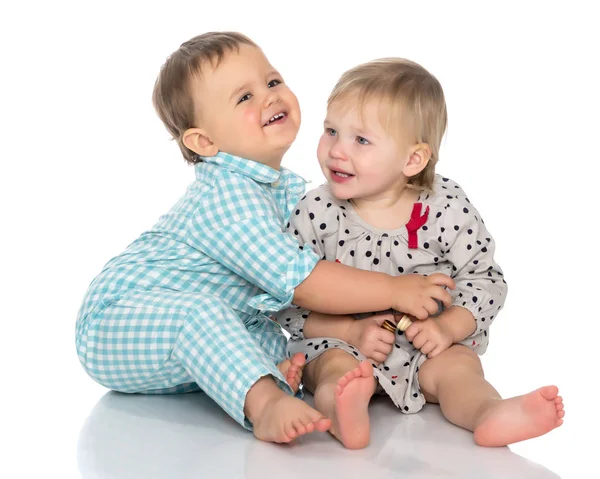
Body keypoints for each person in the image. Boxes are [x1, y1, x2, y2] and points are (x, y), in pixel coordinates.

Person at [74, 33, 455, 444]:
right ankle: (266, 404)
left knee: (278, 340)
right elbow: (304, 282)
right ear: (205, 143)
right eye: (244, 98)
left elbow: (305, 288)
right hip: (116, 321)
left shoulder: (284, 192)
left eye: (272, 82)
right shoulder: (226, 197)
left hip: (214, 324)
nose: (270, 97)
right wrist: (394, 290)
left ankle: (325, 398)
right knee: (199, 316)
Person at [275, 58, 565, 449]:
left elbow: (485, 281)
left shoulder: (444, 207)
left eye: (360, 140)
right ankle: (344, 411)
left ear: (413, 159)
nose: (336, 151)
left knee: (459, 370)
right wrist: (348, 331)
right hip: (343, 343)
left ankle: (488, 413)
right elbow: (284, 300)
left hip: (427, 348)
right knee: (331, 370)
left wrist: (449, 327)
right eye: (331, 131)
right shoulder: (315, 212)